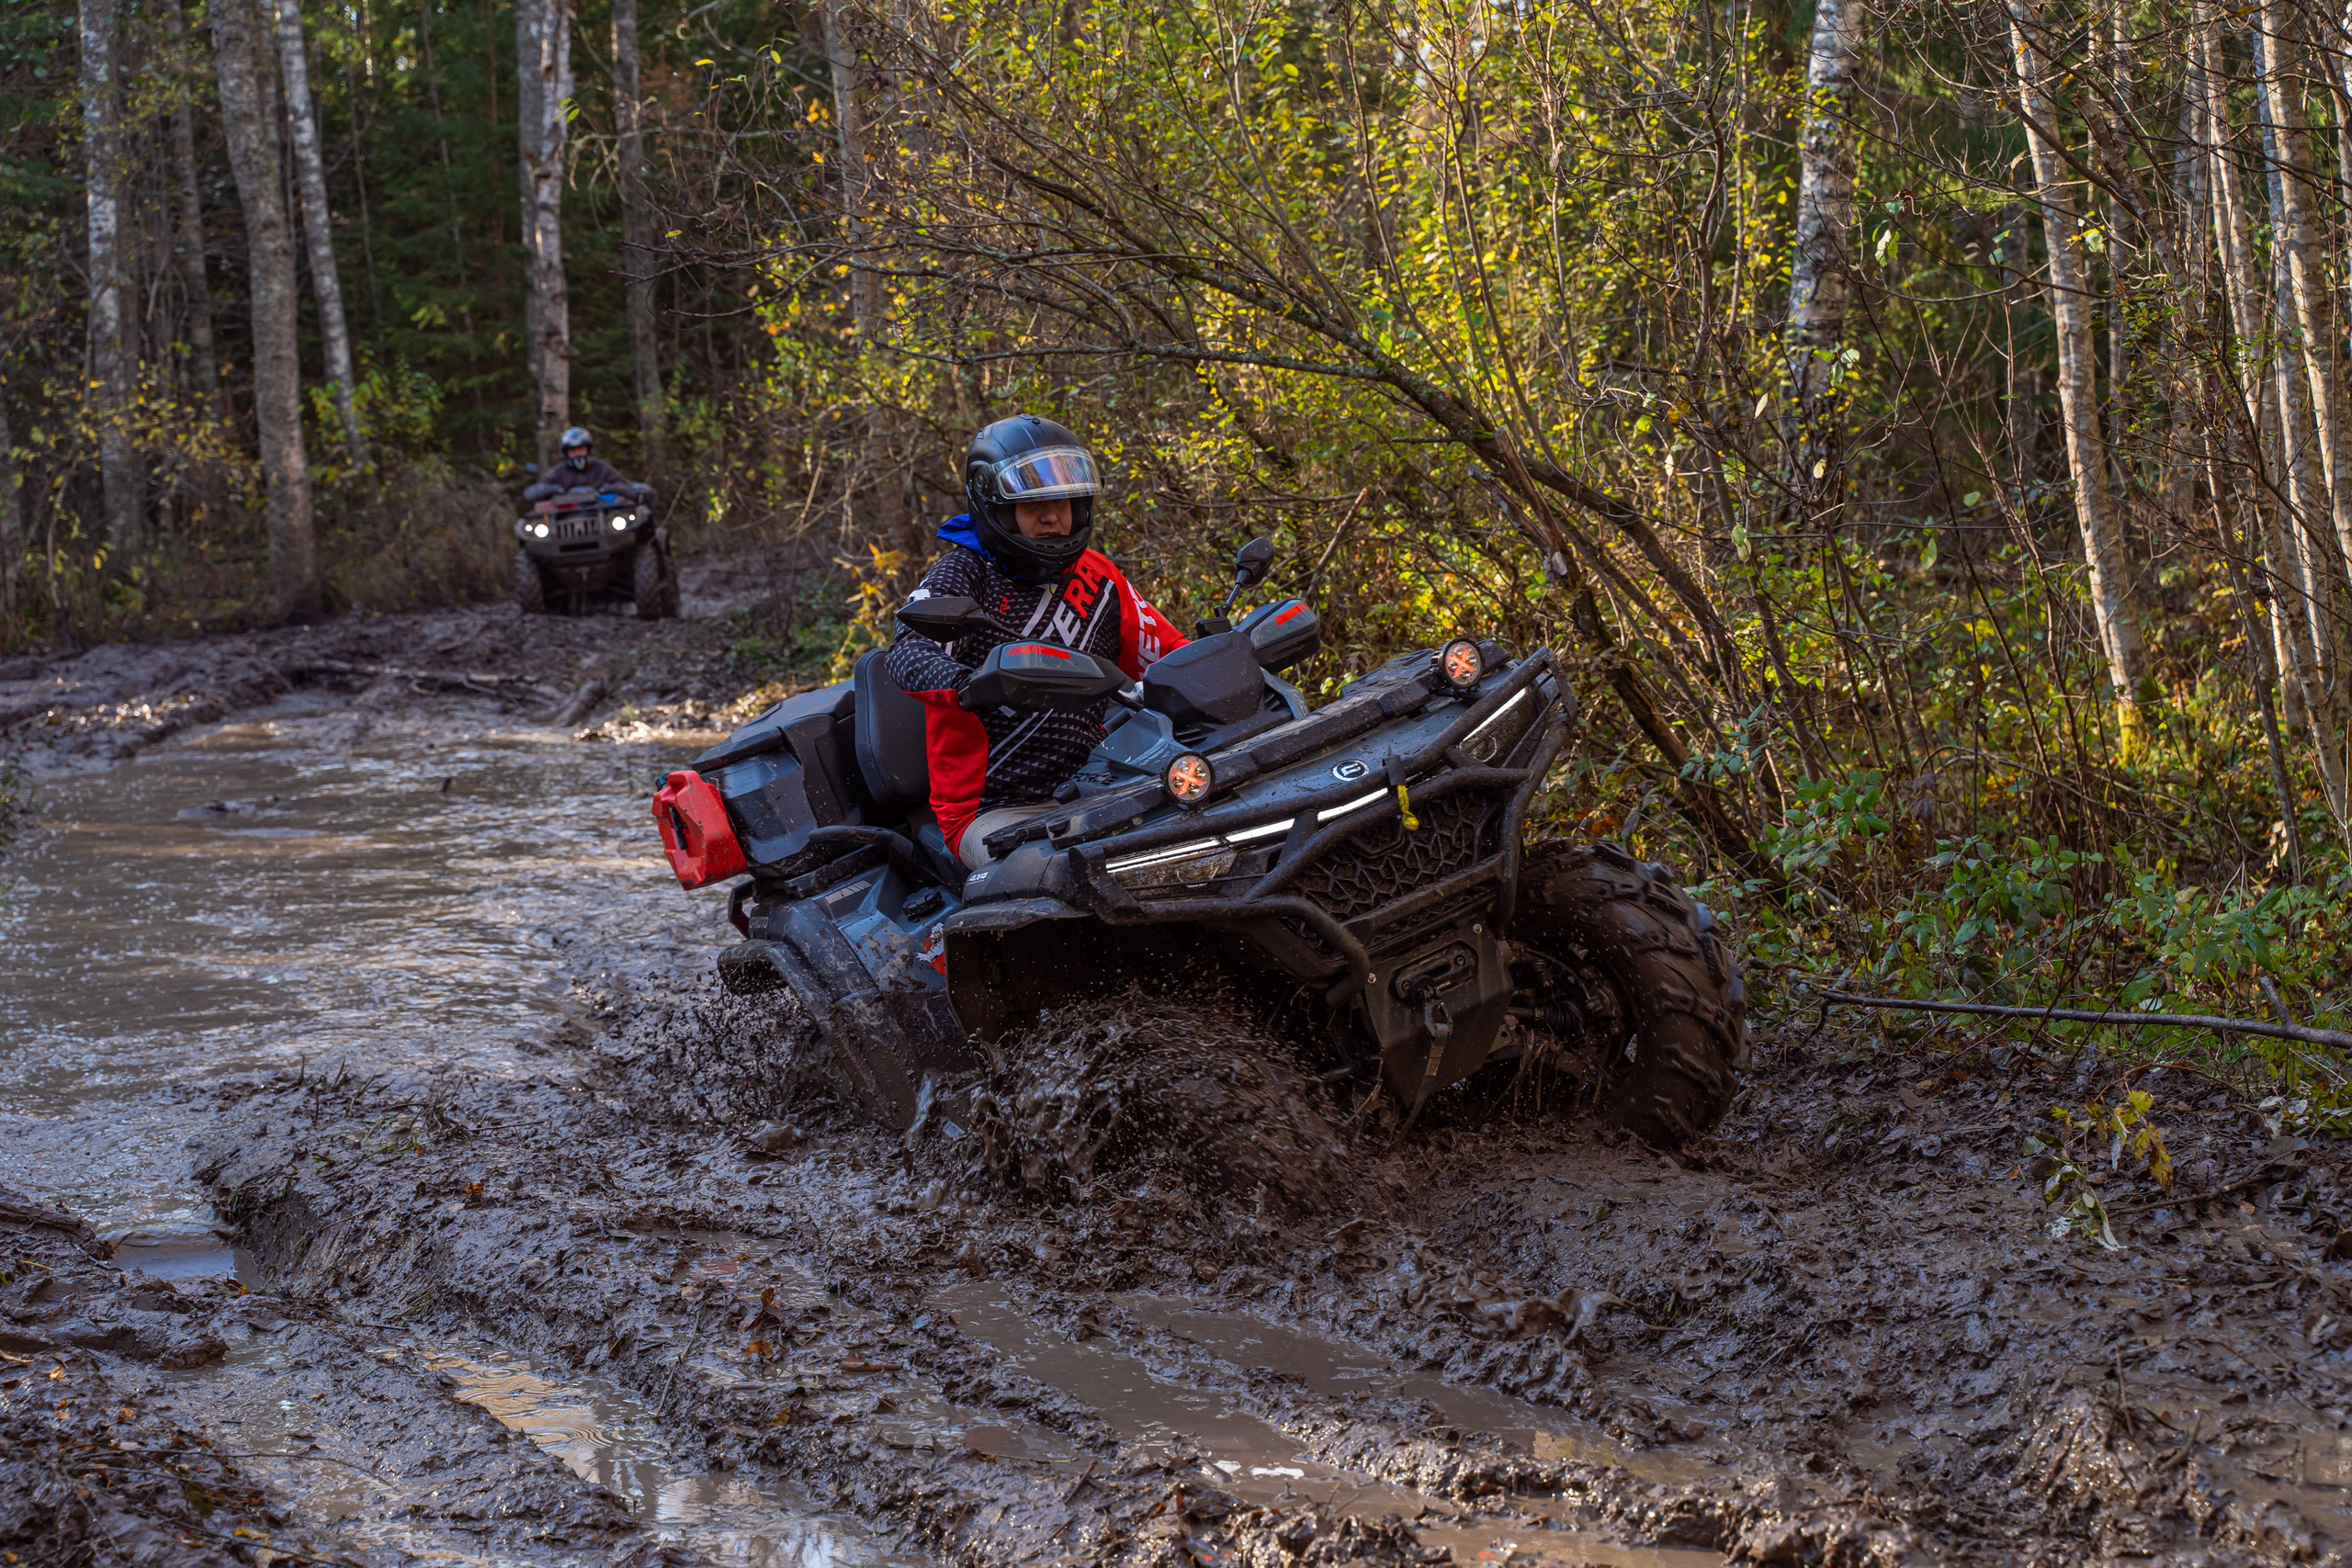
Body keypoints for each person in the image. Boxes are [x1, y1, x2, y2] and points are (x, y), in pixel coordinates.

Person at [888, 414, 1186, 868]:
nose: (1052, 517)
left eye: (1064, 501)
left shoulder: (1099, 577)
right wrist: (970, 684)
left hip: (1104, 778)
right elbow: (908, 652)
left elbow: (1166, 652)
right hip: (992, 809)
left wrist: (1223, 665)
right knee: (1059, 874)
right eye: (1032, 506)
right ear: (998, 509)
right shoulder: (963, 575)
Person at [523, 427, 650, 502]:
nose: (578, 454)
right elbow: (532, 493)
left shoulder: (602, 468)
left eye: (581, 449)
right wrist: (555, 490)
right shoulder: (558, 473)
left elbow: (625, 487)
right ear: (566, 453)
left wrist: (611, 489)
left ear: (588, 450)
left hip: (607, 522)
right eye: (573, 451)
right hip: (564, 524)